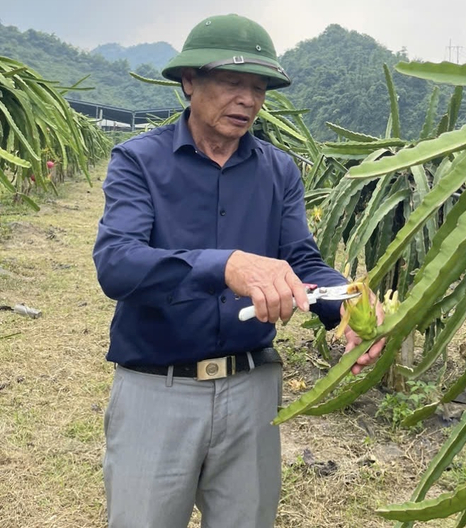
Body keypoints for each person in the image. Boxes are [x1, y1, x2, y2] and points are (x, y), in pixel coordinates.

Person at [92, 13, 384, 528]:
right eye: (231, 82)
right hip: (156, 391)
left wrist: (346, 303)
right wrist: (223, 265)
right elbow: (117, 263)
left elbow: (302, 260)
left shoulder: (279, 170)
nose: (247, 99)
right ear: (189, 82)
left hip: (251, 391)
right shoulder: (139, 162)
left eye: (258, 87)